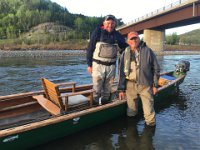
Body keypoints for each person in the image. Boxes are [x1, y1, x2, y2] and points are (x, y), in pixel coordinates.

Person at [118, 31, 160, 126]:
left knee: (149, 113)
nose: (134, 40)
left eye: (135, 38)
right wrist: (121, 89)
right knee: (131, 112)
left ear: (139, 38)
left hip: (145, 85)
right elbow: (121, 72)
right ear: (128, 41)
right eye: (131, 39)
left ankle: (150, 129)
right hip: (130, 85)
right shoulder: (125, 53)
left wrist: (155, 85)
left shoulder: (148, 51)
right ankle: (132, 129)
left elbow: (156, 68)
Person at [87, 15, 128, 105]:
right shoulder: (98, 31)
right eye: (108, 23)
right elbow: (90, 48)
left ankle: (105, 104)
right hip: (98, 66)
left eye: (112, 23)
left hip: (111, 67)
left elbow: (124, 46)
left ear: (115, 24)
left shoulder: (117, 35)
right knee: (97, 88)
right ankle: (94, 105)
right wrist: (89, 65)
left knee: (108, 89)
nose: (110, 25)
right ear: (104, 23)